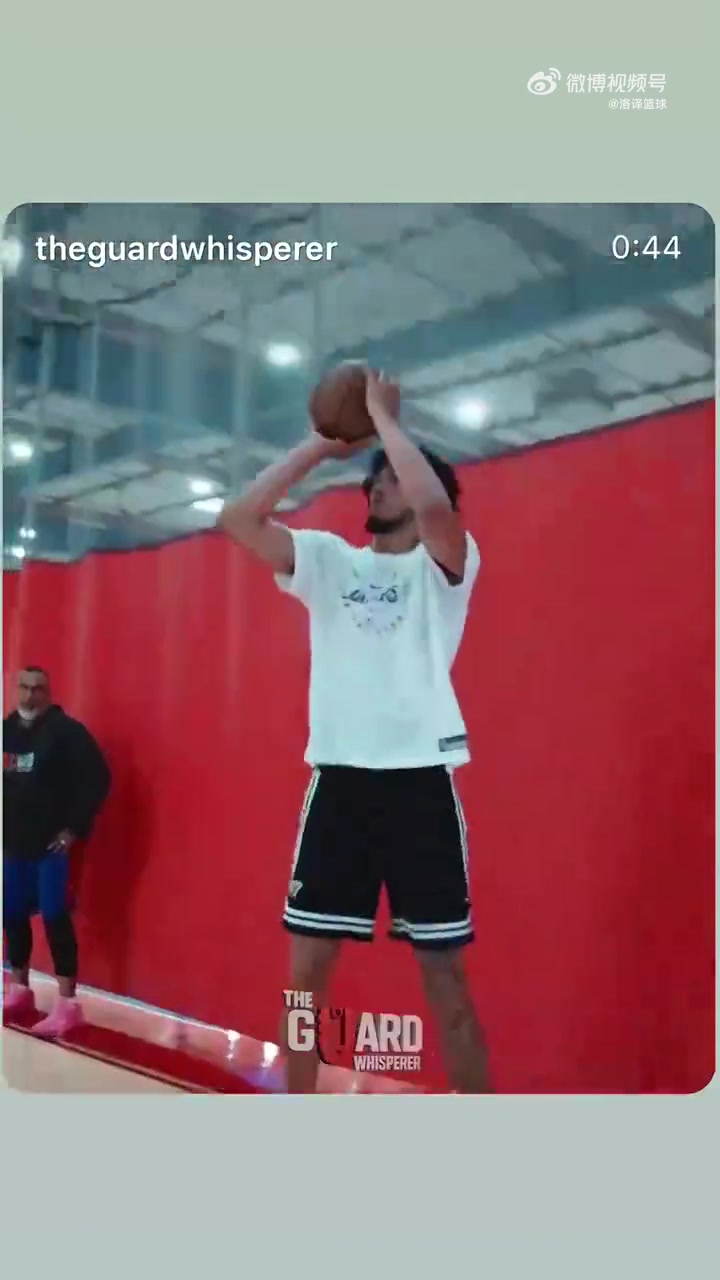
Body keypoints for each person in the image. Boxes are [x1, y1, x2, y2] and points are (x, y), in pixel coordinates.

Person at [219, 370, 491, 1093]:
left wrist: (386, 422)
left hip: (420, 787)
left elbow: (433, 507)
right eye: (372, 479)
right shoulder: (330, 561)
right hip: (340, 787)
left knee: (446, 982)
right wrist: (321, 442)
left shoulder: (448, 566)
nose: (376, 486)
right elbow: (238, 518)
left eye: (390, 477)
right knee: (304, 981)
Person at [3, 667, 111, 1036]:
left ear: (48, 694)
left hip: (50, 846)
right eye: (24, 687)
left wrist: (73, 828)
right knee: (12, 913)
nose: (30, 695)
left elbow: (98, 778)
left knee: (54, 915)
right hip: (14, 843)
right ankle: (19, 990)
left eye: (38, 689)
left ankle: (67, 1004)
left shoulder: (67, 732)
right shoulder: (6, 732)